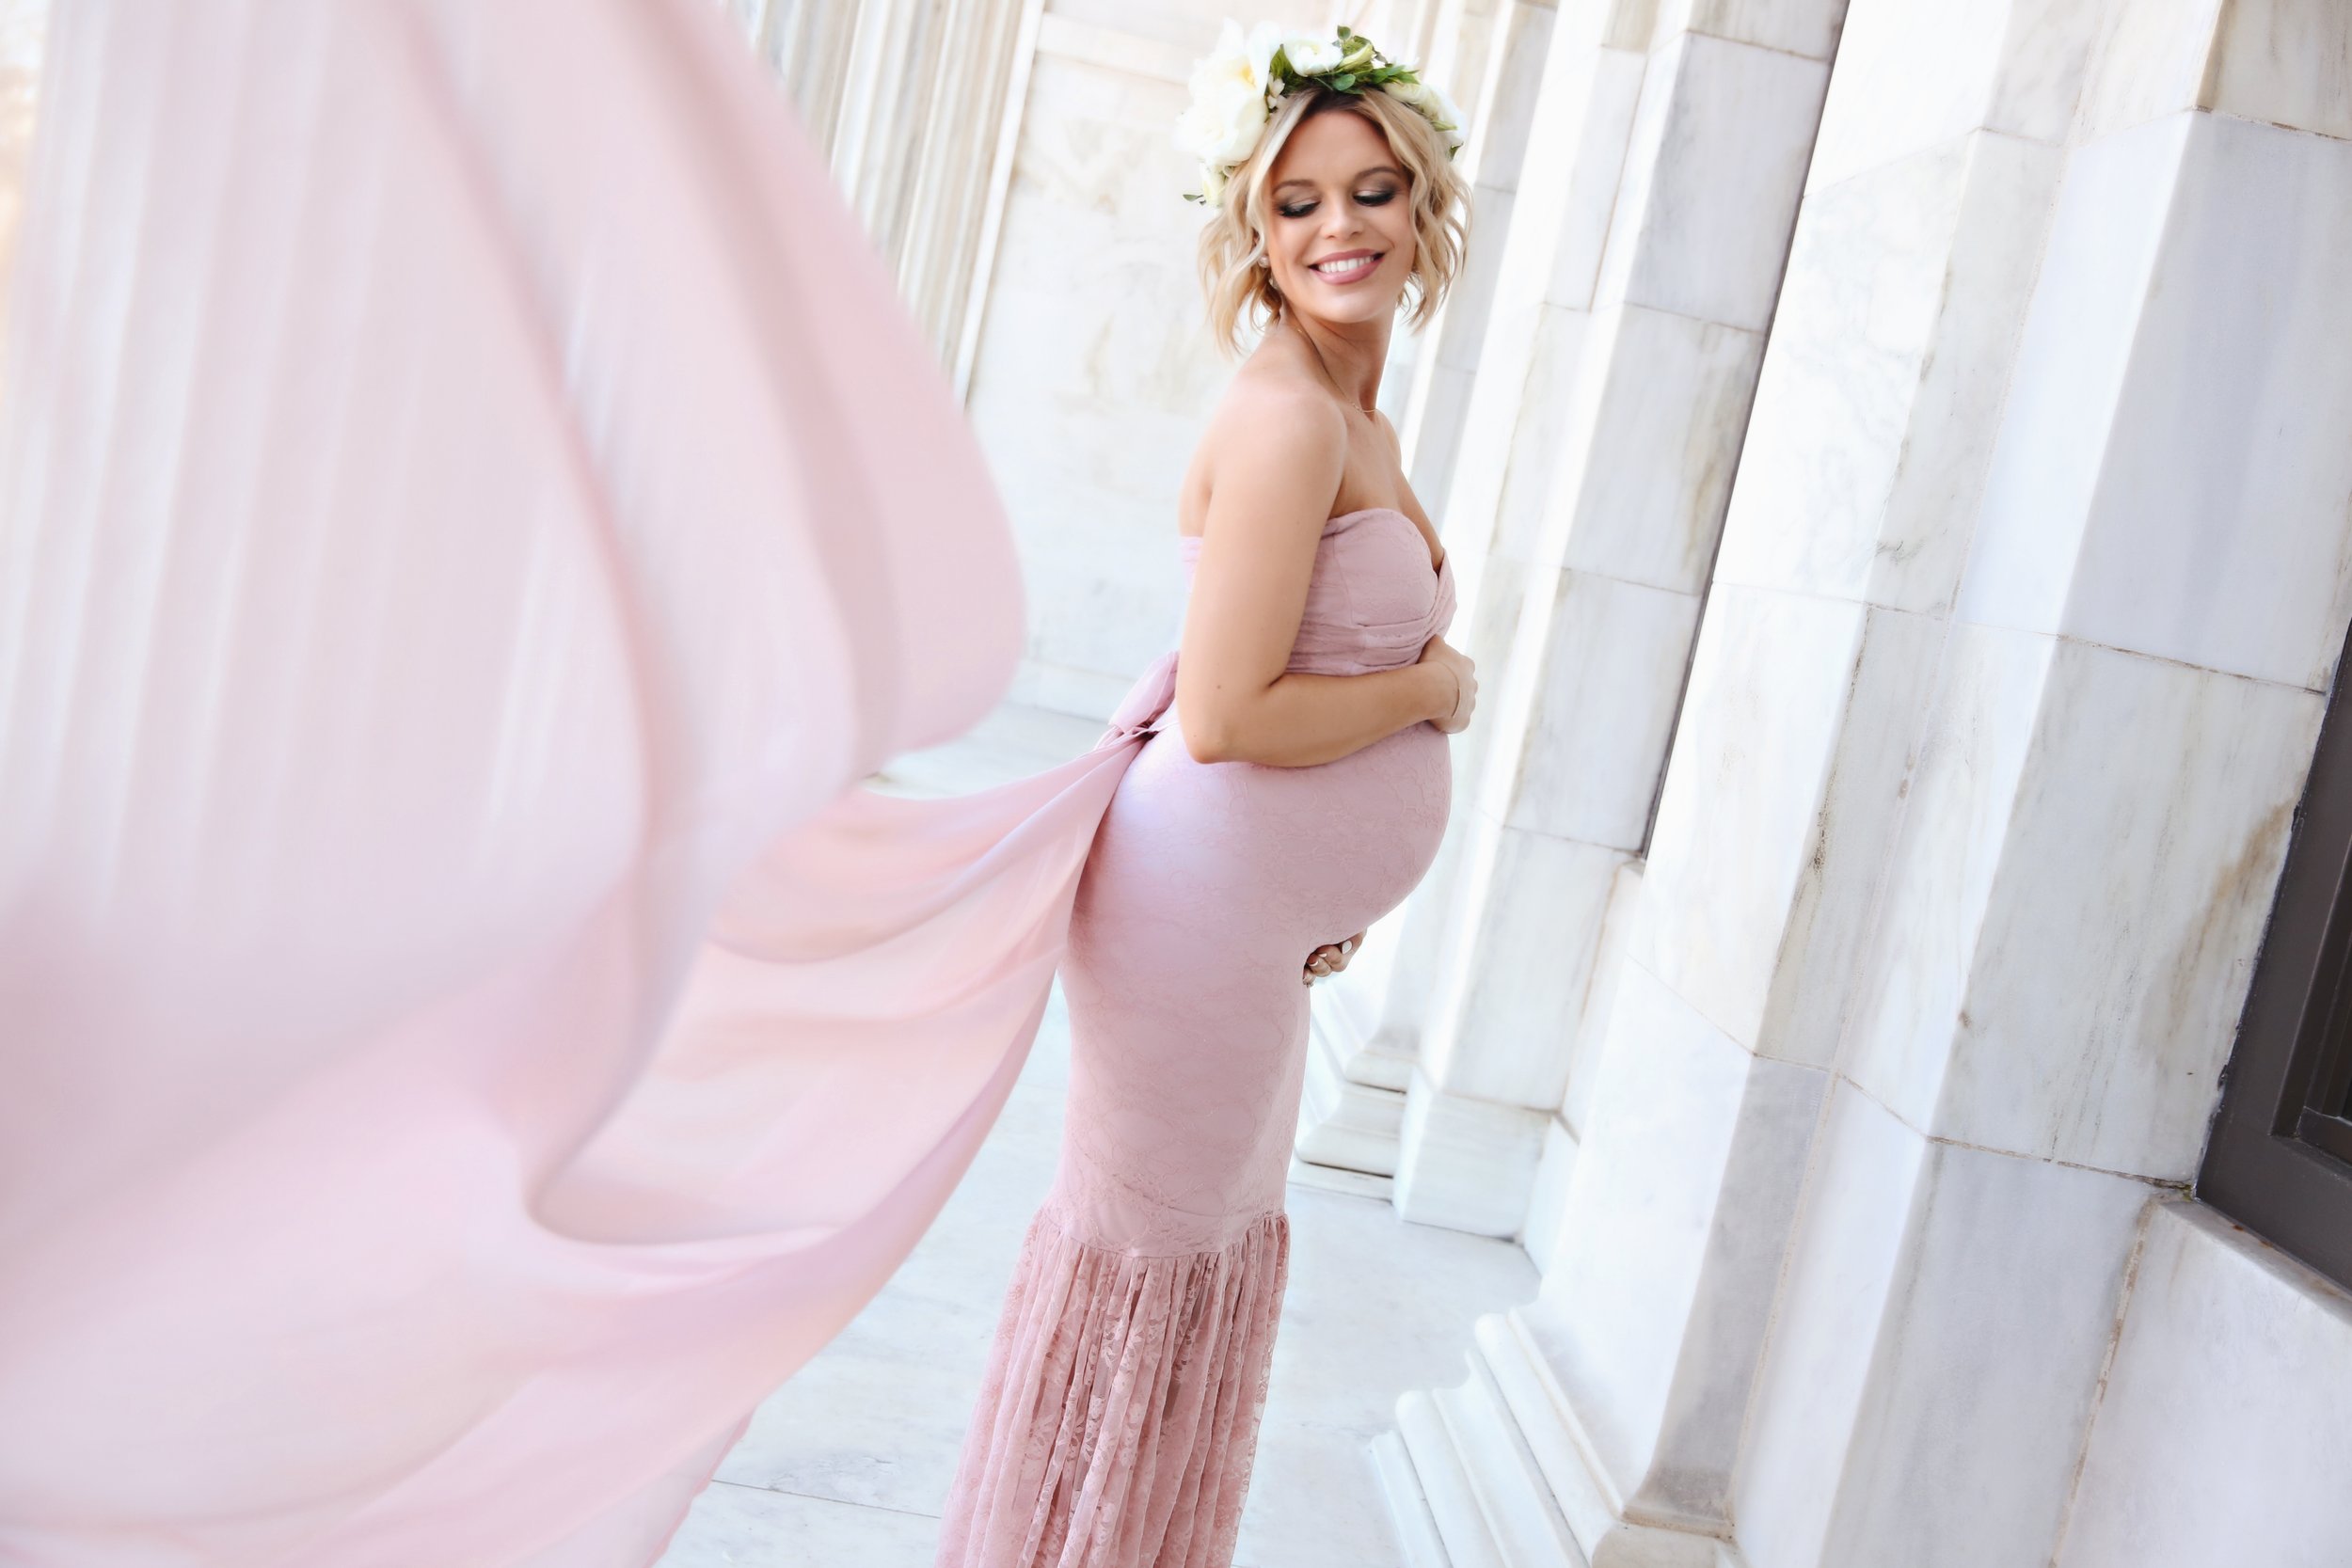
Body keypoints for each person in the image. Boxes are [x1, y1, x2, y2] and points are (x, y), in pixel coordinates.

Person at [934, 24, 1476, 1568]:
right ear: (1250, 227)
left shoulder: (1350, 405)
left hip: (1242, 938)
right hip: (1191, 930)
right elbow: (1234, 714)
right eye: (1297, 203)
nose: (1340, 229)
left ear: (1424, 203)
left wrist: (1317, 896)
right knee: (1143, 1283)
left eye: (1373, 191)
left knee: (1199, 1278)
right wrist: (1436, 694)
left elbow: (1211, 665)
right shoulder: (1293, 415)